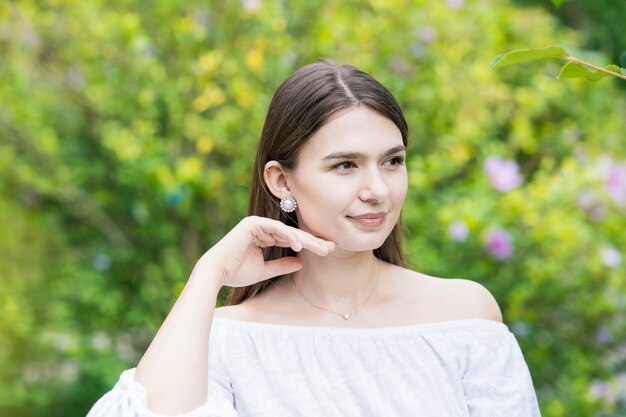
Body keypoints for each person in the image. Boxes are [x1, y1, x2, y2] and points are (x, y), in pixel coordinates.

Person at [86, 59, 541, 416]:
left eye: (392, 161)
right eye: (345, 165)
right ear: (281, 181)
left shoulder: (464, 317)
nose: (377, 190)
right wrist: (209, 274)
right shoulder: (227, 342)